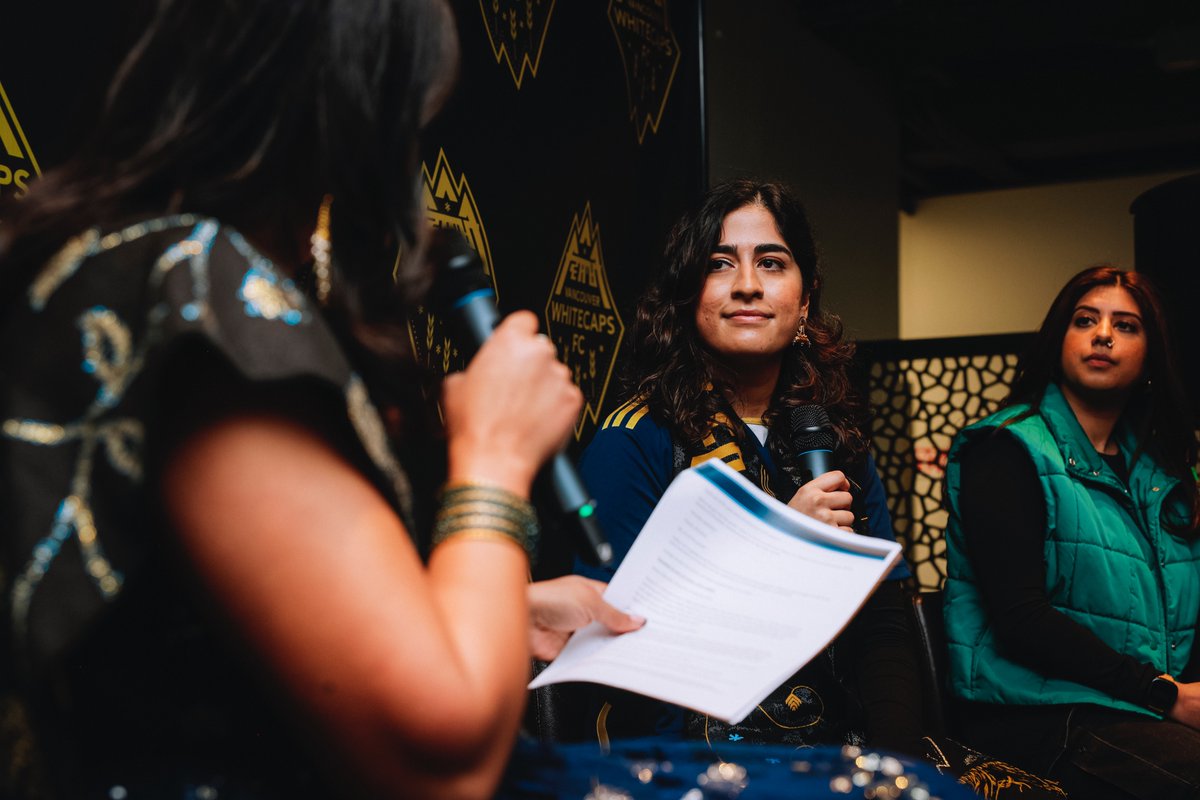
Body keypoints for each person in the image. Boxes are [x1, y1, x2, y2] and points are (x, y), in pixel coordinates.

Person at [0, 1, 642, 798]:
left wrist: (511, 606)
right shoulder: (202, 298)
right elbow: (439, 762)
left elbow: (192, 631)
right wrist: (497, 455)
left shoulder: (115, 267)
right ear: (350, 107)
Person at [575, 178, 922, 754]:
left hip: (840, 748)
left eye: (771, 262)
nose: (747, 286)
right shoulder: (633, 442)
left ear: (805, 298)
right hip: (692, 756)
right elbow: (613, 642)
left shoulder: (836, 441)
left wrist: (899, 769)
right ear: (688, 294)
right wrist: (781, 543)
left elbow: (883, 622)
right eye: (719, 264)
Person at [943, 265, 1200, 798]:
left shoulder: (1167, 474)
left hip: (1134, 707)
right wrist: (1164, 695)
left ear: (1151, 356)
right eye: (1086, 320)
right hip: (1033, 715)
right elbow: (1021, 618)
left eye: (1126, 325)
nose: (1103, 334)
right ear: (1058, 339)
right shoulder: (1007, 447)